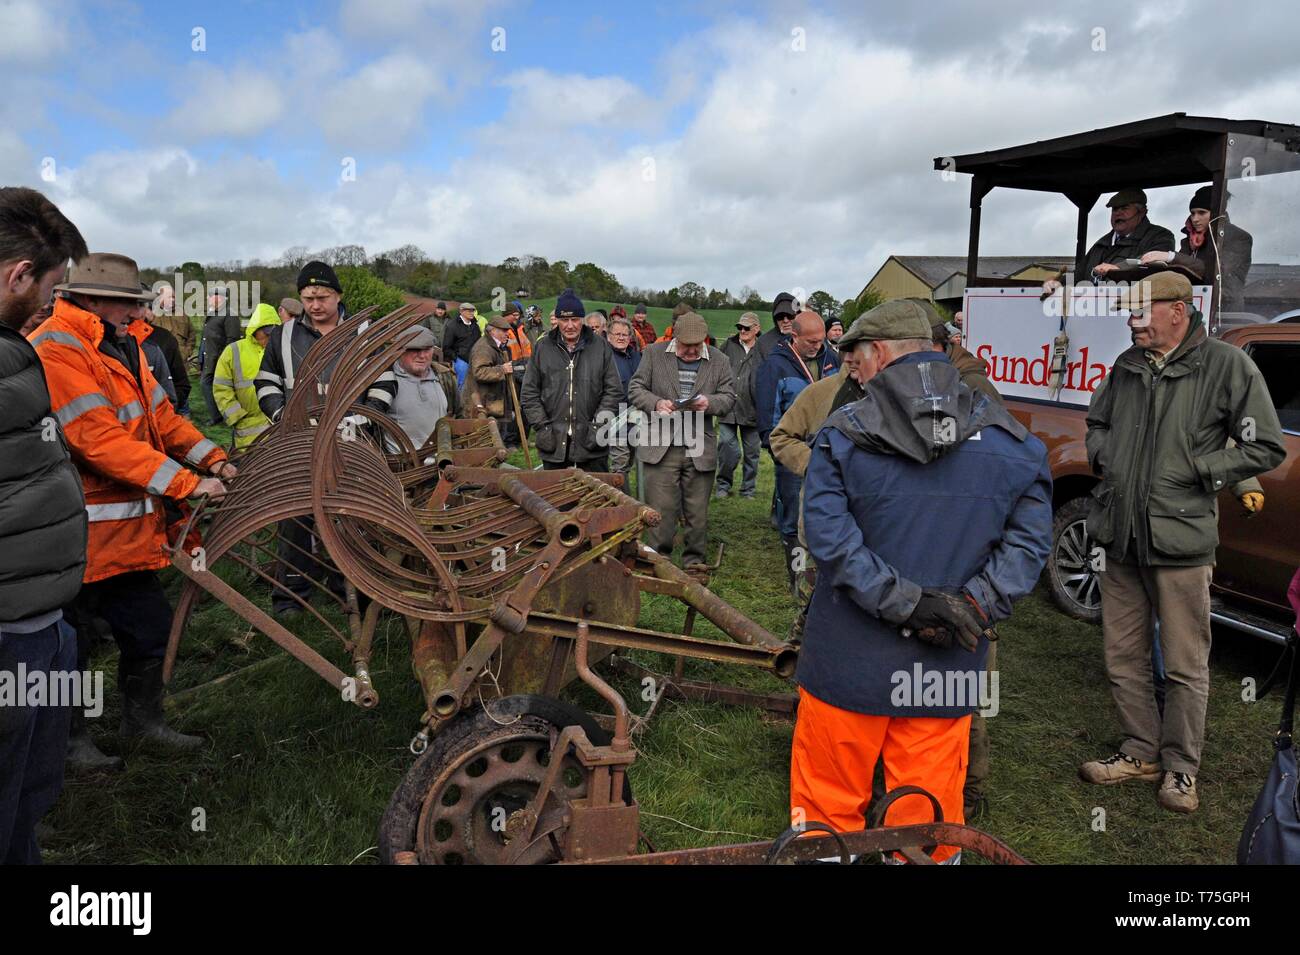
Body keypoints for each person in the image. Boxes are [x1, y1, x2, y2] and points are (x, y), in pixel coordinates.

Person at [793, 300, 1052, 861]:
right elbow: (1029, 545)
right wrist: (973, 608)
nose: (852, 371)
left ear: (880, 352)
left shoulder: (842, 436)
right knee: (927, 818)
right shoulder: (1010, 439)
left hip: (847, 660)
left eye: (855, 358)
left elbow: (832, 544)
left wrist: (909, 605)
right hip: (947, 662)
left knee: (825, 812)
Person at [1080, 272, 1285, 813]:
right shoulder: (1126, 365)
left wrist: (1203, 470)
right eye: (1128, 313)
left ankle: (1180, 769)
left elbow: (1264, 443)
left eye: (1140, 312)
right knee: (1123, 656)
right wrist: (1106, 457)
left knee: (1185, 664)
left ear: (1179, 309)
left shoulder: (1226, 365)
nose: (1131, 321)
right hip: (1119, 536)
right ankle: (1140, 750)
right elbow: (1096, 422)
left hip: (1180, 541)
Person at [35, 253, 233, 768]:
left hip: (122, 532)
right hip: (70, 533)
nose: (136, 313)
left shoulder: (122, 344)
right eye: (129, 303)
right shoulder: (58, 350)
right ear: (93, 300)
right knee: (67, 645)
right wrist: (188, 483)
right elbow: (97, 440)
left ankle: (143, 724)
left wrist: (214, 458)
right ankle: (70, 744)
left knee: (150, 627)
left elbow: (162, 417)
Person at [0, 187, 88, 864]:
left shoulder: (11, 349)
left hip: (39, 616)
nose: (53, 304)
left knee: (30, 784)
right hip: (10, 631)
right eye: (52, 287)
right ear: (17, 275)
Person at [256, 261, 352, 616]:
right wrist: (283, 416)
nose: (315, 305)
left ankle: (349, 587)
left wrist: (360, 418)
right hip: (298, 442)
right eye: (308, 297)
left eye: (322, 297)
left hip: (349, 442)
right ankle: (292, 596)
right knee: (294, 516)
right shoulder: (283, 335)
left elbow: (384, 383)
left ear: (338, 296)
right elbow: (265, 382)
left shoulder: (363, 332)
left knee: (349, 515)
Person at [628, 313, 735, 571]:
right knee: (660, 510)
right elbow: (635, 388)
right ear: (675, 338)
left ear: (704, 341)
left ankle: (694, 562)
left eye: (695, 347)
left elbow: (729, 396)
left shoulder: (720, 360)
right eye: (685, 346)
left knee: (697, 512)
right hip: (660, 447)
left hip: (700, 447)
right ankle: (657, 560)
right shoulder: (654, 353)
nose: (690, 351)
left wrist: (710, 404)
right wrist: (656, 403)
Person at [755, 309, 841, 594]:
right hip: (792, 451)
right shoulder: (776, 366)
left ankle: (823, 576)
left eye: (821, 340)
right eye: (812, 341)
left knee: (827, 512)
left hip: (830, 451)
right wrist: (776, 450)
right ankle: (796, 580)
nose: (818, 346)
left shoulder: (833, 360)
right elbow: (767, 412)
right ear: (794, 337)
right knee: (792, 518)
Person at [520, 288, 622, 471]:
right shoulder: (542, 347)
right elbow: (529, 393)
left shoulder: (600, 347)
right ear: (556, 320)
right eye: (564, 319)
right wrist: (543, 428)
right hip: (554, 441)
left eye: (574, 319)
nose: (570, 325)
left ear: (582, 320)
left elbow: (613, 391)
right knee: (555, 497)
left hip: (592, 442)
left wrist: (598, 425)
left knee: (595, 497)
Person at [1140, 185, 1253, 313]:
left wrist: (1171, 257)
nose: (1195, 219)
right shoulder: (1190, 239)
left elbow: (1217, 269)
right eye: (1192, 213)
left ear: (1217, 213)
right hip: (1190, 304)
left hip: (1222, 311)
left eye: (1202, 213)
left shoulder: (1239, 238)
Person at [1044, 188, 1175, 291]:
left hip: (1134, 312)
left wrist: (1118, 268)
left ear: (1142, 212)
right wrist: (1058, 283)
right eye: (1115, 209)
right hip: (1092, 312)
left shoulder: (1160, 237)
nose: (1118, 213)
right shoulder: (1101, 244)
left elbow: (1152, 266)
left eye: (1125, 208)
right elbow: (1079, 275)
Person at [370, 326, 461, 455]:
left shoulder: (444, 377)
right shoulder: (384, 381)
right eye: (415, 349)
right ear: (400, 350)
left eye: (427, 349)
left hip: (442, 465)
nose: (422, 356)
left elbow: (459, 415)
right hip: (402, 469)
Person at [212, 302, 281, 450]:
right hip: (247, 428)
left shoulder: (281, 350)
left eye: (273, 333)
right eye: (266, 333)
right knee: (246, 467)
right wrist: (236, 416)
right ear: (255, 330)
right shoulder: (234, 350)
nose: (269, 337)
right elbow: (221, 386)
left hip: (277, 425)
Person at [715, 312, 762, 499]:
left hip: (753, 408)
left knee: (752, 452)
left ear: (757, 329)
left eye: (747, 328)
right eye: (740, 327)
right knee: (727, 446)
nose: (742, 331)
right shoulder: (728, 345)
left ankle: (748, 489)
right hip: (729, 406)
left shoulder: (763, 348)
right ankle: (723, 485)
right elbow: (715, 366)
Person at [463, 314, 520, 448]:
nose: (508, 334)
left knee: (493, 440)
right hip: (481, 403)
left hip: (490, 402)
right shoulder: (484, 347)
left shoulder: (493, 346)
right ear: (492, 330)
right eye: (504, 331)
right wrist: (502, 370)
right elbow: (479, 372)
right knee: (484, 443)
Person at [199, 285, 242, 426]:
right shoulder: (213, 313)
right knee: (209, 385)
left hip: (219, 359)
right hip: (208, 357)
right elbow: (206, 337)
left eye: (212, 296)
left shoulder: (230, 314)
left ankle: (220, 416)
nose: (209, 298)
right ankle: (219, 415)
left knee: (209, 385)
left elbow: (232, 339)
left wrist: (223, 360)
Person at [605, 314, 642, 476]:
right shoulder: (604, 357)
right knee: (620, 459)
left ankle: (622, 493)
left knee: (631, 458)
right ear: (608, 336)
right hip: (613, 415)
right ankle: (617, 496)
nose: (621, 338)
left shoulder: (636, 356)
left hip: (635, 415)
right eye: (617, 334)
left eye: (625, 334)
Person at [148, 283, 196, 365]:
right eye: (169, 297)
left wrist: (187, 352)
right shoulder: (151, 315)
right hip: (159, 361)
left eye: (174, 297)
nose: (173, 300)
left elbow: (191, 335)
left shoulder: (182, 314)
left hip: (180, 361)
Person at [442, 301, 481, 390]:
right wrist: (456, 358)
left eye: (473, 311)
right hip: (461, 360)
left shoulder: (475, 325)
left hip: (475, 359)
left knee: (475, 384)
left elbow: (479, 342)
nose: (472, 313)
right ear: (461, 311)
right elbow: (446, 347)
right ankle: (461, 403)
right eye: (469, 311)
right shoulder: (452, 326)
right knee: (462, 385)